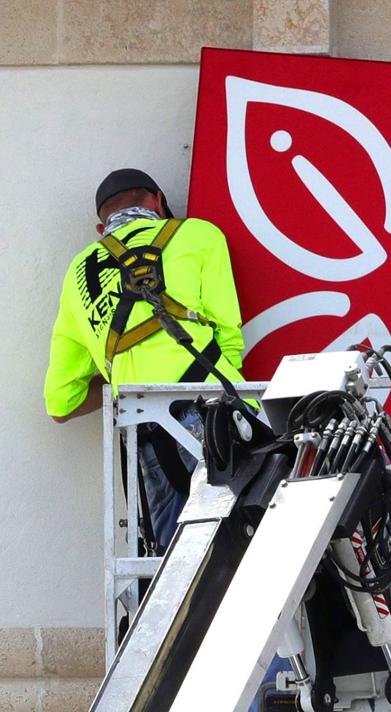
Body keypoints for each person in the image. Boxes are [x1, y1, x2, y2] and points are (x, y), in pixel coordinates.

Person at [44, 168, 248, 550]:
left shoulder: (78, 273)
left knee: (179, 572)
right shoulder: (199, 234)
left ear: (101, 229)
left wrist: (124, 372)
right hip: (216, 413)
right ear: (156, 201)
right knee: (255, 550)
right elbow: (230, 336)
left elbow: (60, 402)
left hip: (148, 434)